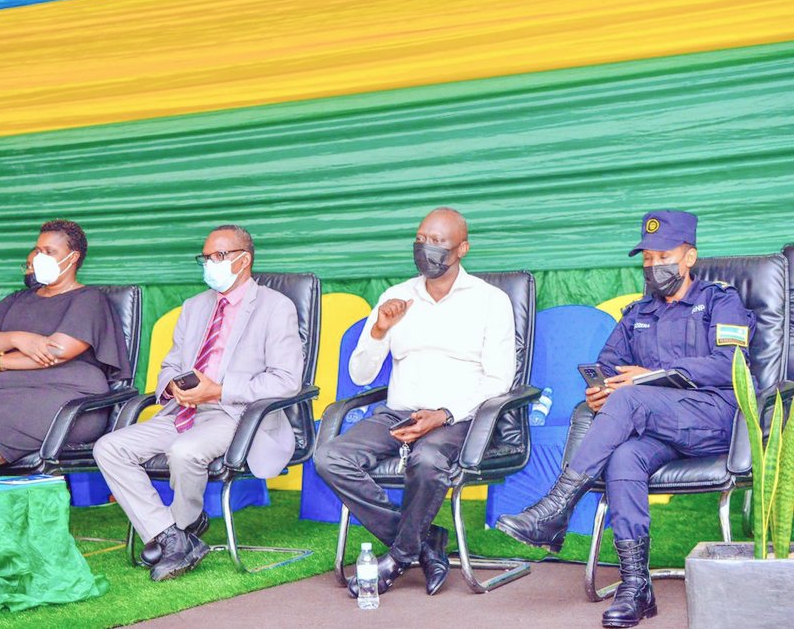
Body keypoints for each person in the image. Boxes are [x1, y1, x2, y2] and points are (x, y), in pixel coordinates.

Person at [496, 210, 755, 628]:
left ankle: (556, 507)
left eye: (664, 256)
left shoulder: (720, 301)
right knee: (624, 457)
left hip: (713, 419)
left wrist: (648, 378)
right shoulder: (638, 313)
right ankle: (636, 585)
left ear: (689, 257)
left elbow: (731, 365)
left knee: (631, 397)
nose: (654, 266)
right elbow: (609, 364)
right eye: (648, 259)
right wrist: (600, 391)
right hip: (657, 428)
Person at [315, 208, 516, 597]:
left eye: (438, 241)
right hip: (399, 413)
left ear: (462, 249)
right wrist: (378, 330)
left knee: (427, 459)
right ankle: (425, 542)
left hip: (460, 418)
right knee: (330, 457)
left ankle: (399, 557)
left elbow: (498, 380)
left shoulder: (491, 301)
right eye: (421, 239)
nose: (426, 248)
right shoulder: (397, 296)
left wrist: (443, 414)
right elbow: (360, 374)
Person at [94, 224, 304, 582]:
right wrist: (173, 387)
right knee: (109, 448)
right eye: (205, 257)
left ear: (244, 260)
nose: (210, 264)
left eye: (219, 256)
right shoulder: (194, 307)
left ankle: (181, 527)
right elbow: (170, 365)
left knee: (185, 451)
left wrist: (218, 391)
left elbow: (286, 380)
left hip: (237, 414)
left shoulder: (275, 307)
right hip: (184, 410)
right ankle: (170, 535)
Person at [0, 220, 128, 474]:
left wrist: (2, 361)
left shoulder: (89, 299)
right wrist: (17, 338)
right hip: (0, 394)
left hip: (67, 398)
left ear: (73, 257)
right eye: (38, 250)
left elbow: (57, 351)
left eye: (50, 251)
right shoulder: (18, 299)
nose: (40, 257)